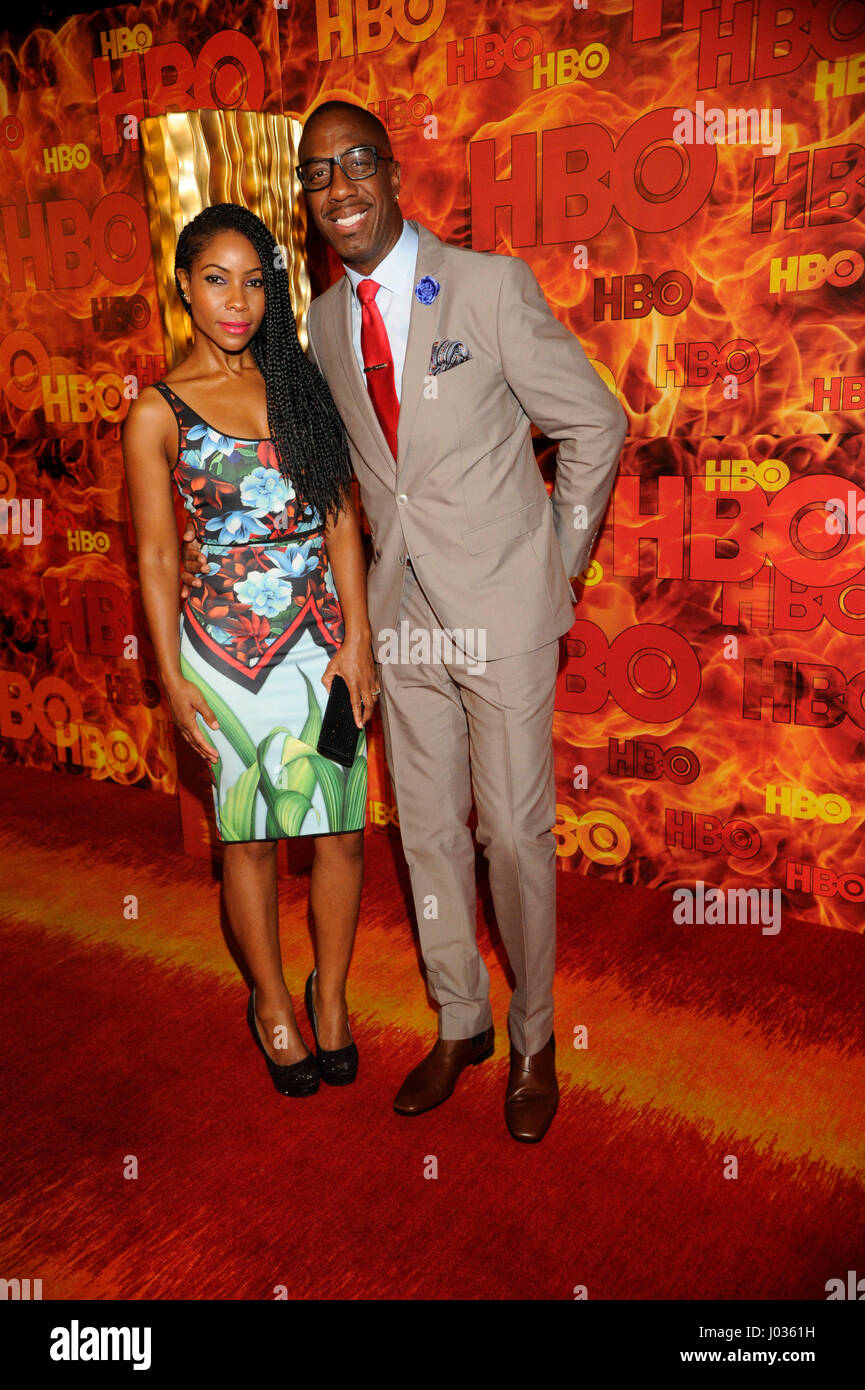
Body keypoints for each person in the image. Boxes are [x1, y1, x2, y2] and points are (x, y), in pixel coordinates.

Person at [183, 106, 627, 1141]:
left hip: (503, 610)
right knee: (425, 834)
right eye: (314, 175)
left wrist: (555, 564)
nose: (335, 190)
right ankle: (459, 1018)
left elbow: (594, 421)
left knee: (512, 836)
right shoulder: (324, 327)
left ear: (390, 173)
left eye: (352, 166)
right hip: (400, 620)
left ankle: (532, 1036)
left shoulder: (488, 285)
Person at [123, 202, 378, 1098]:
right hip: (221, 658)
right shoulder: (157, 413)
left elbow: (343, 520)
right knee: (253, 844)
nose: (238, 300)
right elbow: (156, 556)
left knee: (341, 831)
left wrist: (358, 643)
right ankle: (271, 1001)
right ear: (185, 287)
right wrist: (169, 677)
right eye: (216, 279)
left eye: (256, 281)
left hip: (322, 648)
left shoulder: (300, 386)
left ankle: (332, 996)